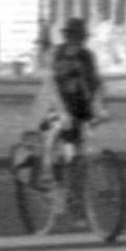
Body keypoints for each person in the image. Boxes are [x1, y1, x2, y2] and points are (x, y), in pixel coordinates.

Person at [39, 18, 103, 170]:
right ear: (67, 37)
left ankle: (75, 181)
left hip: (80, 106)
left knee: (77, 149)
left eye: (80, 37)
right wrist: (61, 112)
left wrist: (98, 107)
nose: (77, 41)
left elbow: (94, 82)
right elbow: (51, 83)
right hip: (58, 104)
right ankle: (49, 172)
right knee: (53, 136)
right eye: (74, 36)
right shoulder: (57, 54)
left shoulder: (86, 55)